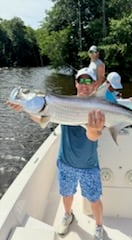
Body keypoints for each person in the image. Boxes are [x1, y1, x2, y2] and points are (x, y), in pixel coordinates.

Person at [7, 67, 105, 240]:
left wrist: (93, 129)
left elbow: (93, 136)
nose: (84, 84)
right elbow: (43, 119)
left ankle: (98, 226)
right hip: (65, 162)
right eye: (81, 81)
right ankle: (68, 215)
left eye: (88, 81)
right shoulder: (64, 103)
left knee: (94, 200)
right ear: (76, 84)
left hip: (89, 165)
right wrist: (24, 109)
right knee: (66, 195)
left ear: (94, 86)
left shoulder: (97, 109)